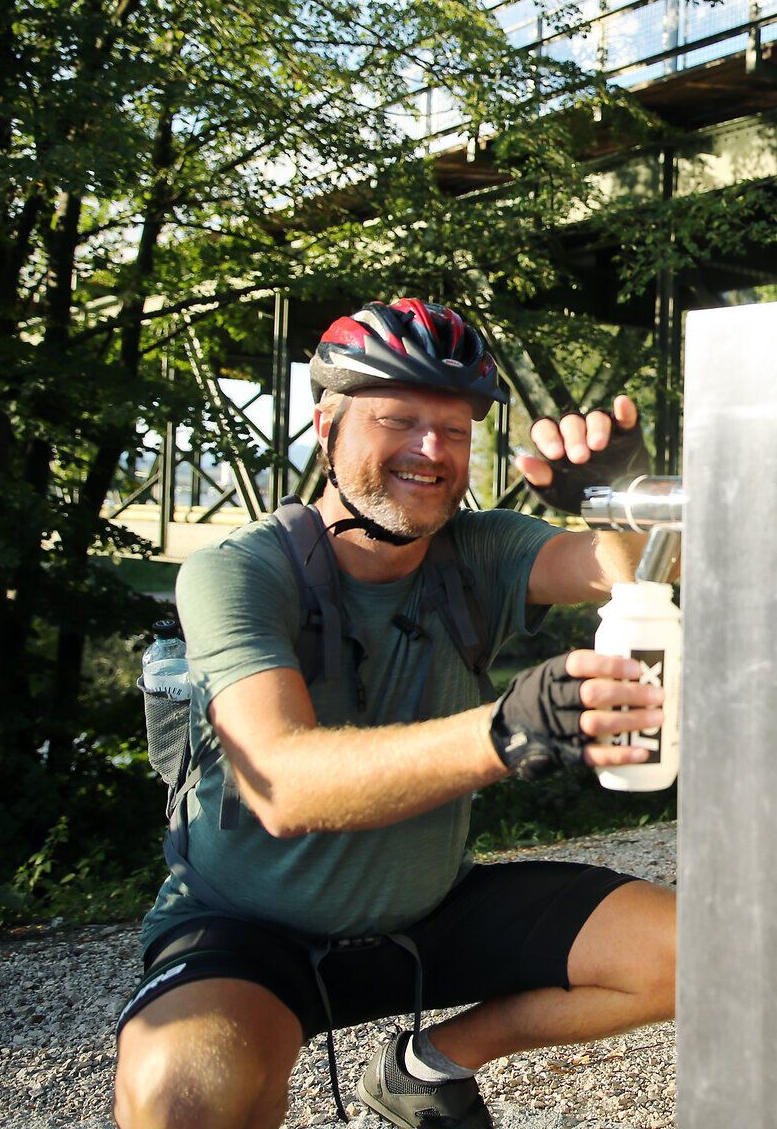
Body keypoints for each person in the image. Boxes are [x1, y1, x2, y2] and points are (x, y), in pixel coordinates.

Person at [113, 297, 671, 1129]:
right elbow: (281, 784)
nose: (431, 451)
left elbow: (642, 572)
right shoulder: (240, 571)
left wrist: (620, 498)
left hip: (429, 914)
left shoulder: (480, 551)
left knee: (698, 955)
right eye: (399, 421)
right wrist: (505, 732)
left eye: (454, 429)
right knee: (183, 1098)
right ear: (325, 427)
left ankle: (426, 1068)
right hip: (250, 929)